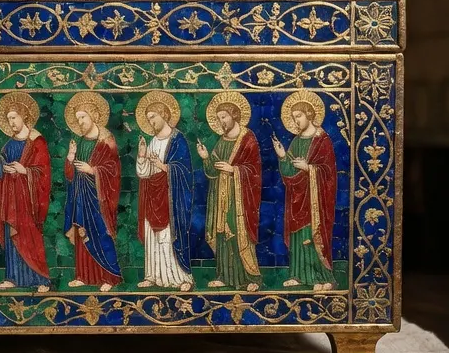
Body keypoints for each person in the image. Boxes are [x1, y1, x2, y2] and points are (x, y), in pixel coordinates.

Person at [0, 92, 51, 292]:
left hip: (29, 201)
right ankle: (12, 277)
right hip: (11, 200)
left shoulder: (37, 142)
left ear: (24, 117)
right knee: (12, 237)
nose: (11, 122)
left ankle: (41, 279)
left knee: (30, 238)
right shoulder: (9, 145)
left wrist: (25, 171)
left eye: (14, 117)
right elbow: (2, 171)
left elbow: (44, 173)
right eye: (8, 119)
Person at [272, 92, 338, 291]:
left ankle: (324, 277)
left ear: (309, 114)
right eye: (293, 118)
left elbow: (329, 173)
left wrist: (309, 168)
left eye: (298, 116)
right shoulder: (296, 141)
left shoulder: (322, 140)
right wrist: (282, 156)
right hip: (297, 199)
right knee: (298, 238)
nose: (296, 121)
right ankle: (299, 275)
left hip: (316, 201)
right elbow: (289, 172)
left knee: (314, 235)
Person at [196, 93, 262, 291]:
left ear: (234, 115)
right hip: (220, 197)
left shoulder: (248, 139)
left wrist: (234, 170)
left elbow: (255, 170)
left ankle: (252, 278)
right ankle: (224, 276)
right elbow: (213, 171)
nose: (221, 121)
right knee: (222, 235)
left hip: (240, 199)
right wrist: (205, 157)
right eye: (218, 118)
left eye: (223, 117)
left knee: (239, 232)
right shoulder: (222, 140)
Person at [61, 91, 122, 291]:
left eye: (83, 117)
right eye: (77, 118)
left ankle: (110, 276)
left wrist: (93, 170)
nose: (80, 122)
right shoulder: (79, 141)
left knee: (100, 233)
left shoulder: (106, 140)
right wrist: (70, 158)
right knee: (82, 234)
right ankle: (83, 275)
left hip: (99, 198)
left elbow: (113, 170)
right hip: (80, 195)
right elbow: (70, 175)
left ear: (94, 116)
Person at [135, 91, 195, 291]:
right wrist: (142, 156)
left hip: (171, 199)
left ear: (164, 114)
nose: (151, 122)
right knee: (152, 237)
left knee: (169, 237)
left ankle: (181, 278)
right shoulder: (153, 141)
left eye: (153, 117)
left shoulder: (178, 140)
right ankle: (152, 276)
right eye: (148, 119)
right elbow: (144, 173)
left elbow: (184, 171)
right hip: (152, 196)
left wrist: (162, 166)